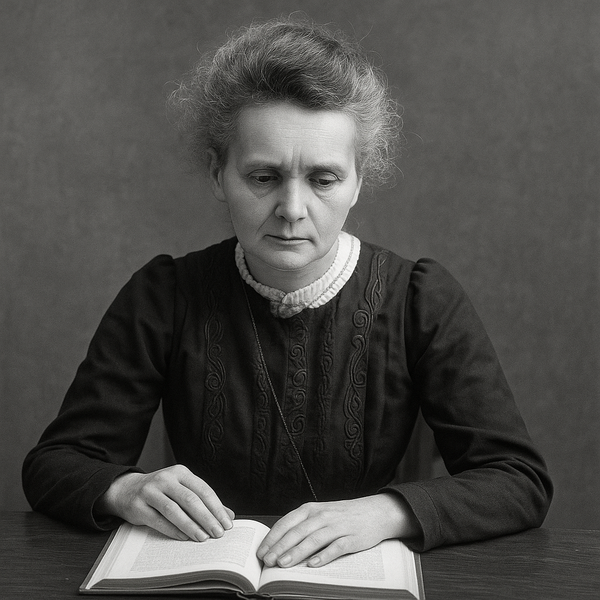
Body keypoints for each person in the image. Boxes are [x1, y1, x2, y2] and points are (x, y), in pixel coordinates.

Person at [22, 17, 552, 568]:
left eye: (323, 180)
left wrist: (384, 513)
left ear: (358, 180)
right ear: (218, 174)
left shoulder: (420, 299)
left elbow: (518, 481)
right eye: (263, 177)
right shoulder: (163, 296)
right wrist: (125, 489)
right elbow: (55, 464)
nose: (292, 210)